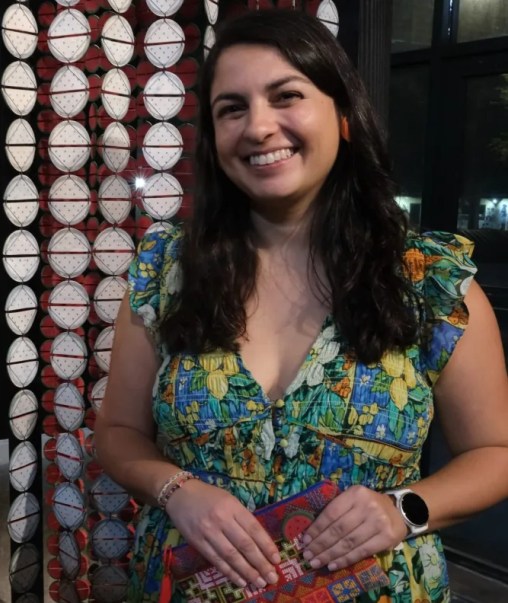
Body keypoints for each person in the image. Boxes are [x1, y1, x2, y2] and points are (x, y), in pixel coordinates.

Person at [93, 9, 508, 603]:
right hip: (193, 587)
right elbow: (119, 431)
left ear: (342, 117)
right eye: (231, 108)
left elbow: (496, 453)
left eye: (286, 95)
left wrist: (406, 509)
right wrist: (175, 489)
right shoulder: (166, 274)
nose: (259, 127)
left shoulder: (430, 282)